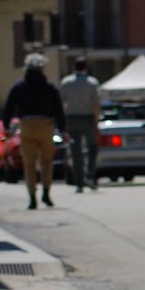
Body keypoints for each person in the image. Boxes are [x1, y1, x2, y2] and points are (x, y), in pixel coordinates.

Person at [2, 54, 66, 209]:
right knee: (47, 161)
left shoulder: (19, 86)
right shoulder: (50, 87)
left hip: (27, 125)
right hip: (46, 125)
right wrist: (62, 130)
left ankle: (32, 196)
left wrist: (6, 125)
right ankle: (46, 192)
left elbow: (9, 107)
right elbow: (59, 110)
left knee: (29, 163)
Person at [59, 57, 102, 191]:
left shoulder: (66, 82)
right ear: (86, 68)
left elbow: (62, 103)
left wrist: (63, 121)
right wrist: (96, 123)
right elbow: (96, 104)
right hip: (88, 119)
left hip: (72, 119)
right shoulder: (92, 83)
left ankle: (79, 183)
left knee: (75, 151)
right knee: (92, 148)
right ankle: (89, 176)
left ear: (73, 68)